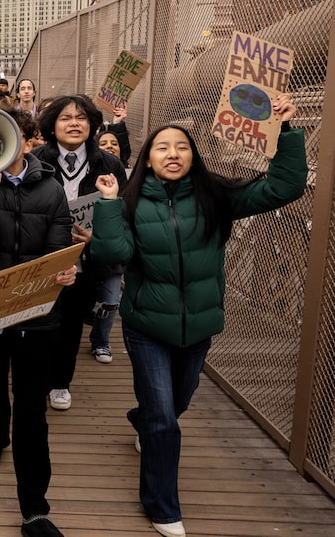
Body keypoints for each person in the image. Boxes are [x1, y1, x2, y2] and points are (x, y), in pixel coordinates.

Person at [91, 95, 307, 537]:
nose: (173, 154)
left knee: (177, 402)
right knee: (164, 418)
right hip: (147, 325)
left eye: (182, 147)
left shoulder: (216, 196)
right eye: (162, 148)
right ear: (147, 160)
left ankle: (144, 420)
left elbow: (284, 188)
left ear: (193, 156)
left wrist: (286, 132)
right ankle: (162, 505)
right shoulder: (129, 204)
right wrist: (109, 205)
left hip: (200, 326)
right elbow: (113, 254)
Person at [0, 109, 76, 537]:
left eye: (14, 137)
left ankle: (35, 508)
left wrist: (66, 271)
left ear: (28, 141)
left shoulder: (51, 189)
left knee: (31, 406)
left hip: (36, 313)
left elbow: (58, 245)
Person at [32, 94, 127, 411]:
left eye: (81, 117)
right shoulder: (35, 159)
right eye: (65, 118)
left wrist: (97, 236)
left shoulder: (109, 164)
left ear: (92, 124)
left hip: (86, 263)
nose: (74, 124)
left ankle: (61, 382)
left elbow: (121, 211)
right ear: (51, 125)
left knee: (71, 324)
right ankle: (37, 378)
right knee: (39, 323)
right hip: (42, 259)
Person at [88, 128, 128, 364]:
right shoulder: (89, 173)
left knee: (111, 300)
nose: (110, 146)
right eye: (103, 142)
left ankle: (101, 341)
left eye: (114, 142)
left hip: (112, 252)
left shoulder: (125, 176)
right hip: (84, 247)